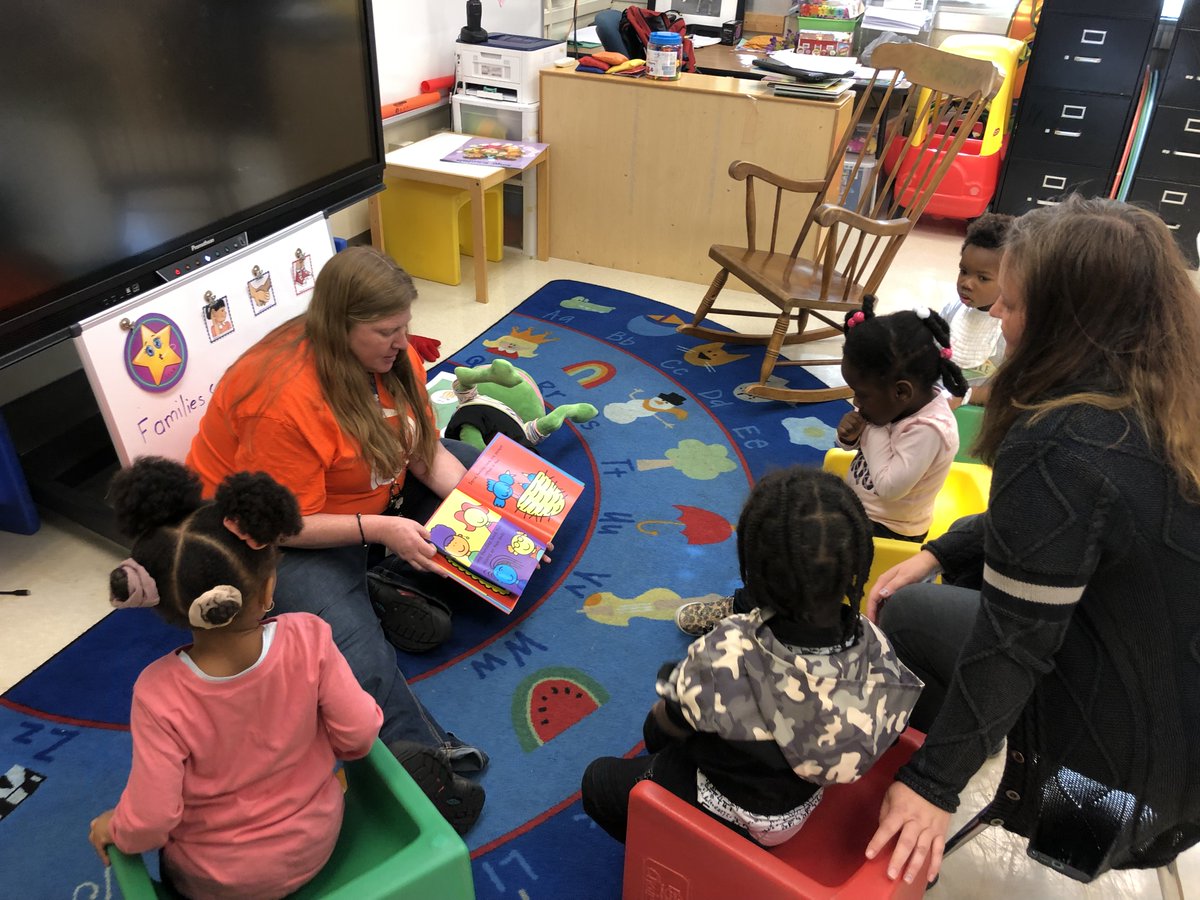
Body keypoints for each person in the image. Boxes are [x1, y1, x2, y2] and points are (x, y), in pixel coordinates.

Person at [863, 197, 1200, 887]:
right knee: (942, 590)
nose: (998, 322)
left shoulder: (1059, 443)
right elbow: (1084, 520)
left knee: (912, 614)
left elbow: (1014, 644)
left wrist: (932, 785)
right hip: (1181, 745)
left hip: (1109, 770)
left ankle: (935, 811)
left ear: (1065, 322)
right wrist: (944, 550)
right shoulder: (1171, 394)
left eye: (1012, 306)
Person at [186, 246, 487, 833]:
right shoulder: (281, 401)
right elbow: (280, 521)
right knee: (347, 636)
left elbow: (424, 448)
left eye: (405, 326)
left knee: (488, 476)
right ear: (339, 325)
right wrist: (381, 529)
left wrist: (488, 520)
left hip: (366, 498)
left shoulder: (391, 356)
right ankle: (422, 752)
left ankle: (374, 575)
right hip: (268, 532)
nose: (403, 341)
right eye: (386, 331)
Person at [87, 457, 383, 899]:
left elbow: (150, 821)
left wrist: (117, 825)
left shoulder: (157, 692)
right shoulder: (309, 637)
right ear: (267, 590)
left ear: (165, 608)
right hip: (319, 840)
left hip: (218, 882)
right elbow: (359, 736)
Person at [582, 467, 923, 846]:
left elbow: (662, 729)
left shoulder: (729, 648)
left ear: (753, 573)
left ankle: (676, 843)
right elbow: (890, 729)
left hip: (734, 807)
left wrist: (670, 701)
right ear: (856, 567)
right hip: (804, 799)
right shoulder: (874, 640)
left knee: (599, 781)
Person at [675, 296, 968, 638]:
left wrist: (869, 429)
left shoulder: (929, 429)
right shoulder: (892, 407)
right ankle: (765, 601)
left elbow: (889, 486)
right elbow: (863, 455)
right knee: (782, 506)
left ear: (902, 392)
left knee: (797, 544)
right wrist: (849, 437)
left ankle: (749, 608)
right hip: (859, 505)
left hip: (887, 527)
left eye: (862, 395)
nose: (857, 403)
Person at [939, 213, 1012, 407]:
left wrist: (966, 396)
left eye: (983, 278)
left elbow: (1011, 391)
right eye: (964, 271)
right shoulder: (951, 310)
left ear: (1012, 280)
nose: (966, 283)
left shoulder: (1011, 330)